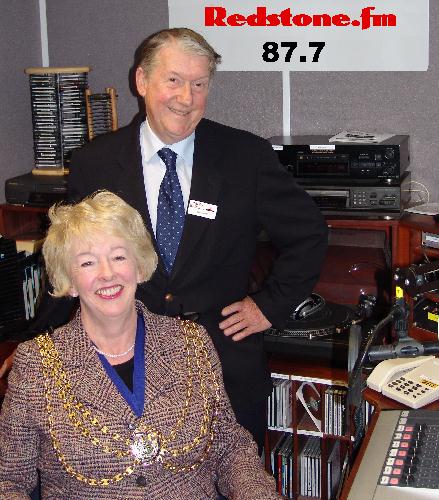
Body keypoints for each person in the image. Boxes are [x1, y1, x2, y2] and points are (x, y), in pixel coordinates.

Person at [0, 28, 328, 452]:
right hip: (119, 369)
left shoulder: (245, 157)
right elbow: (69, 262)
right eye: (173, 80)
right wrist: (36, 346)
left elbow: (309, 234)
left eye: (198, 84)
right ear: (142, 81)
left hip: (222, 368)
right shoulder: (96, 162)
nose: (185, 97)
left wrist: (269, 305)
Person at [0, 191, 281, 499]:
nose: (107, 274)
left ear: (139, 265)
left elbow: (229, 448)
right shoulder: (36, 365)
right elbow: (9, 481)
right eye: (88, 262)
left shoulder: (190, 342)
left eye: (119, 256)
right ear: (69, 279)